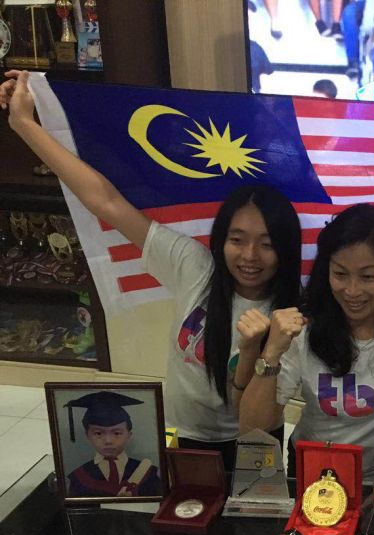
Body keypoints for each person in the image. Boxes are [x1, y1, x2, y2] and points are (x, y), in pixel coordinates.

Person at [0, 70, 302, 473]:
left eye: (267, 244)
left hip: (253, 438)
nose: (249, 256)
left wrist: (259, 349)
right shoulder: (194, 265)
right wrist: (24, 124)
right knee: (186, 525)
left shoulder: (289, 314)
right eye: (237, 239)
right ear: (220, 240)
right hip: (185, 434)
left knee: (251, 529)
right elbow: (105, 200)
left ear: (286, 248)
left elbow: (253, 413)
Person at [238, 204, 374, 483]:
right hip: (314, 476)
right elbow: (251, 427)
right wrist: (271, 352)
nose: (352, 291)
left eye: (367, 277)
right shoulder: (302, 330)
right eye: (340, 274)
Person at [64, 391, 162, 498]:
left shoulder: (151, 474)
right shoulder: (77, 478)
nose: (108, 440)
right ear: (87, 435)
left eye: (117, 433)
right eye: (98, 433)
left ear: (129, 435)